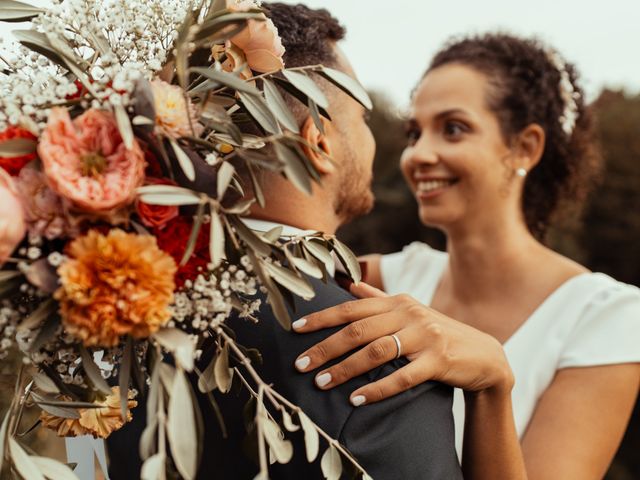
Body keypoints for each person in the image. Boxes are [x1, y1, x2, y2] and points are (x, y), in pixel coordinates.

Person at [106, 4, 463, 479]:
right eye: (361, 118)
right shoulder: (381, 370)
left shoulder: (108, 316)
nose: (375, 142)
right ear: (317, 143)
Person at [291, 34, 640, 479]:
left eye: (452, 128)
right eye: (413, 132)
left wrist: (493, 388)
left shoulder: (606, 318)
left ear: (525, 148)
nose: (418, 154)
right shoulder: (374, 276)